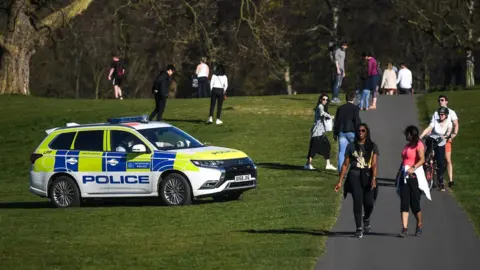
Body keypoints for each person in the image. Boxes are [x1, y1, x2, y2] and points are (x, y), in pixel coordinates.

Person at [334, 123, 379, 238]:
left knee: (369, 203)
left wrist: (373, 179)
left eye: (363, 131)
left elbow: (374, 164)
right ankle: (359, 227)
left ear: (367, 132)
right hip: (354, 175)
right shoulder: (351, 146)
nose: (361, 133)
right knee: (357, 201)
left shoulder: (372, 146)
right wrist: (340, 181)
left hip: (367, 175)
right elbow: (345, 164)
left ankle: (367, 218)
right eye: (359, 131)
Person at [397, 125, 431, 237]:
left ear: (411, 134)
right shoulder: (407, 146)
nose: (406, 136)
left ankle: (419, 223)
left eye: (407, 134)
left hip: (414, 177)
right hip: (404, 176)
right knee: (404, 203)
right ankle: (404, 229)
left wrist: (413, 167)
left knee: (414, 204)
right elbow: (404, 161)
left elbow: (422, 159)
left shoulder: (419, 145)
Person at [420, 107, 452, 191]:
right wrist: (421, 136)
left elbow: (449, 131)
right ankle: (425, 170)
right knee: (426, 157)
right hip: (432, 140)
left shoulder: (449, 123)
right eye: (440, 114)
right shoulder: (435, 121)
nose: (441, 116)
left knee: (441, 163)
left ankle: (440, 181)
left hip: (441, 143)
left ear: (446, 115)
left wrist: (446, 136)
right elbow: (428, 129)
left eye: (442, 114)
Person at [430, 95, 459, 187]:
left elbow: (456, 124)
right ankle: (433, 176)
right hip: (436, 138)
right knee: (432, 157)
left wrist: (453, 134)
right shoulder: (436, 113)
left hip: (446, 139)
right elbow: (432, 125)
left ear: (446, 101)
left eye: (442, 100)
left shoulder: (451, 112)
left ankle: (450, 180)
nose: (440, 102)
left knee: (447, 159)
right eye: (439, 100)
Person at [304, 94, 337, 171]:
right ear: (320, 100)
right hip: (317, 132)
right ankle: (307, 164)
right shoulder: (320, 106)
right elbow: (322, 113)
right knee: (313, 149)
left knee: (327, 146)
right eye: (323, 99)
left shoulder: (323, 107)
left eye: (326, 100)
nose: (325, 101)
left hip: (321, 132)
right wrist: (330, 116)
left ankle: (328, 164)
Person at [333, 91, 362, 172]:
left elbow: (337, 121)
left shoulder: (340, 108)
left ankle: (340, 171)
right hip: (352, 132)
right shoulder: (355, 108)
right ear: (353, 99)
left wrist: (335, 133)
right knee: (356, 151)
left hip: (342, 132)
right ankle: (358, 168)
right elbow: (356, 120)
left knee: (342, 152)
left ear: (346, 98)